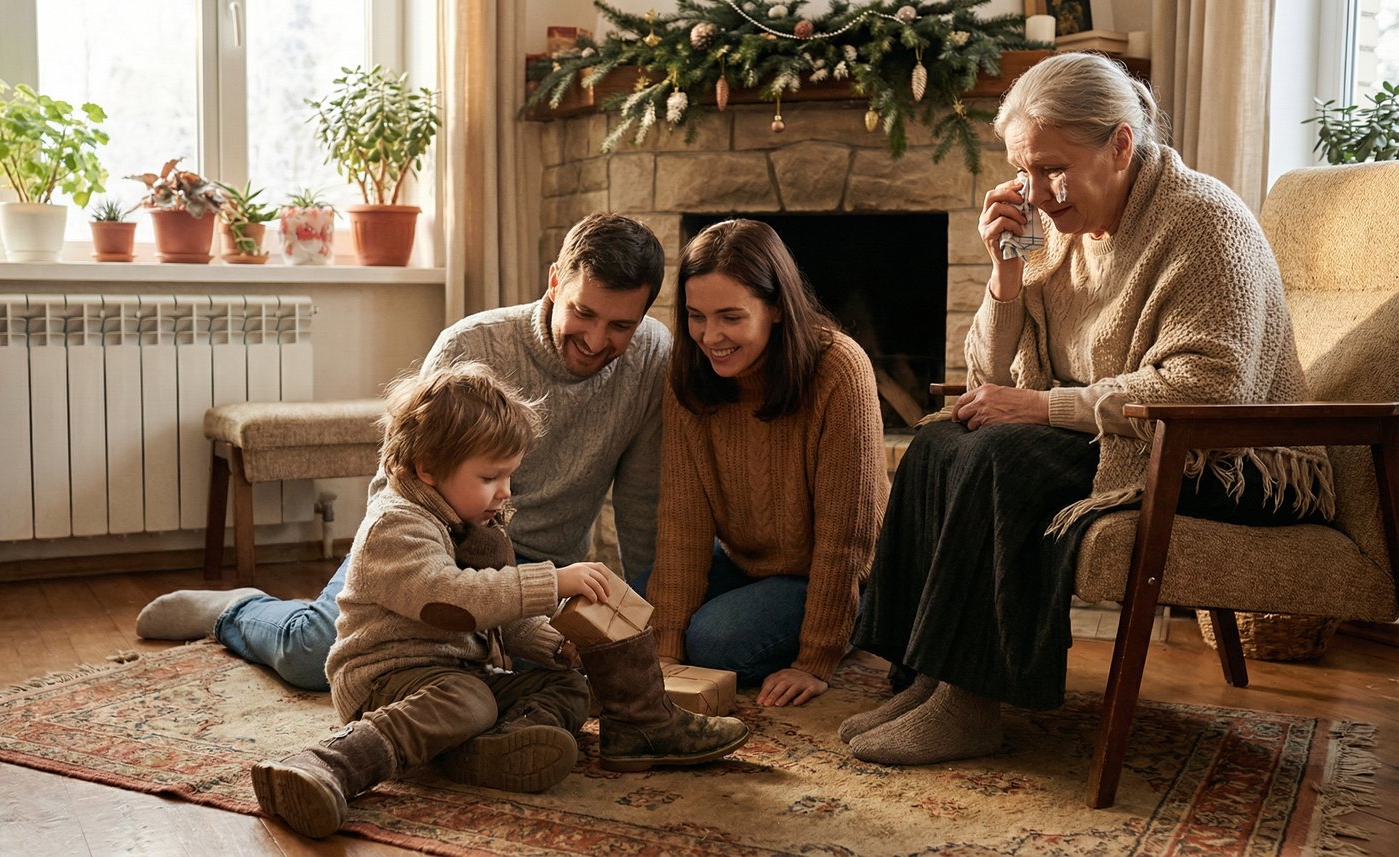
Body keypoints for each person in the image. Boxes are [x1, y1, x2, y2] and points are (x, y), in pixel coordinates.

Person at [844, 53, 1335, 766]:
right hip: (1127, 434)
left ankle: (972, 702)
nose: (1037, 192)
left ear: (1121, 146)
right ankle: (926, 676)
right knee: (941, 440)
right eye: (1024, 170)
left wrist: (1043, 407)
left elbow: (1206, 389)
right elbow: (987, 374)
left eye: (1052, 168)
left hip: (1235, 457)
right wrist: (1005, 273)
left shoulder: (1204, 221)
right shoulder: (1054, 229)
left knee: (998, 455)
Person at [135, 213, 671, 691]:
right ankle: (236, 610)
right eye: (584, 313)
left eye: (620, 325)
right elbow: (398, 475)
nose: (597, 340)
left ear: (644, 317)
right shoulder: (472, 345)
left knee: (555, 670)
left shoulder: (652, 355)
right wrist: (411, 576)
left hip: (539, 570)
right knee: (311, 658)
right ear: (556, 281)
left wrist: (651, 624)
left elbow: (644, 501)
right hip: (427, 549)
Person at [251, 363, 748, 839]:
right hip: (387, 680)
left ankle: (494, 746)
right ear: (427, 468)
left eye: (510, 476)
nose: (504, 493)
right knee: (469, 700)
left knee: (566, 686)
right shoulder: (396, 524)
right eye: (490, 478)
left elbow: (507, 619)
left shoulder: (478, 526)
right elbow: (453, 602)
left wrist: (559, 646)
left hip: (458, 674)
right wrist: (553, 580)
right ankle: (329, 764)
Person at [643, 219, 889, 709]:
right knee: (625, 606)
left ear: (776, 306)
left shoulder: (840, 368)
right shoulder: (688, 375)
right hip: (746, 562)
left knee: (714, 642)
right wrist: (665, 655)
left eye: (730, 317)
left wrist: (816, 658)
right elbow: (682, 522)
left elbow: (847, 536)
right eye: (696, 316)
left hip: (836, 571)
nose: (710, 337)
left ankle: (856, 624)